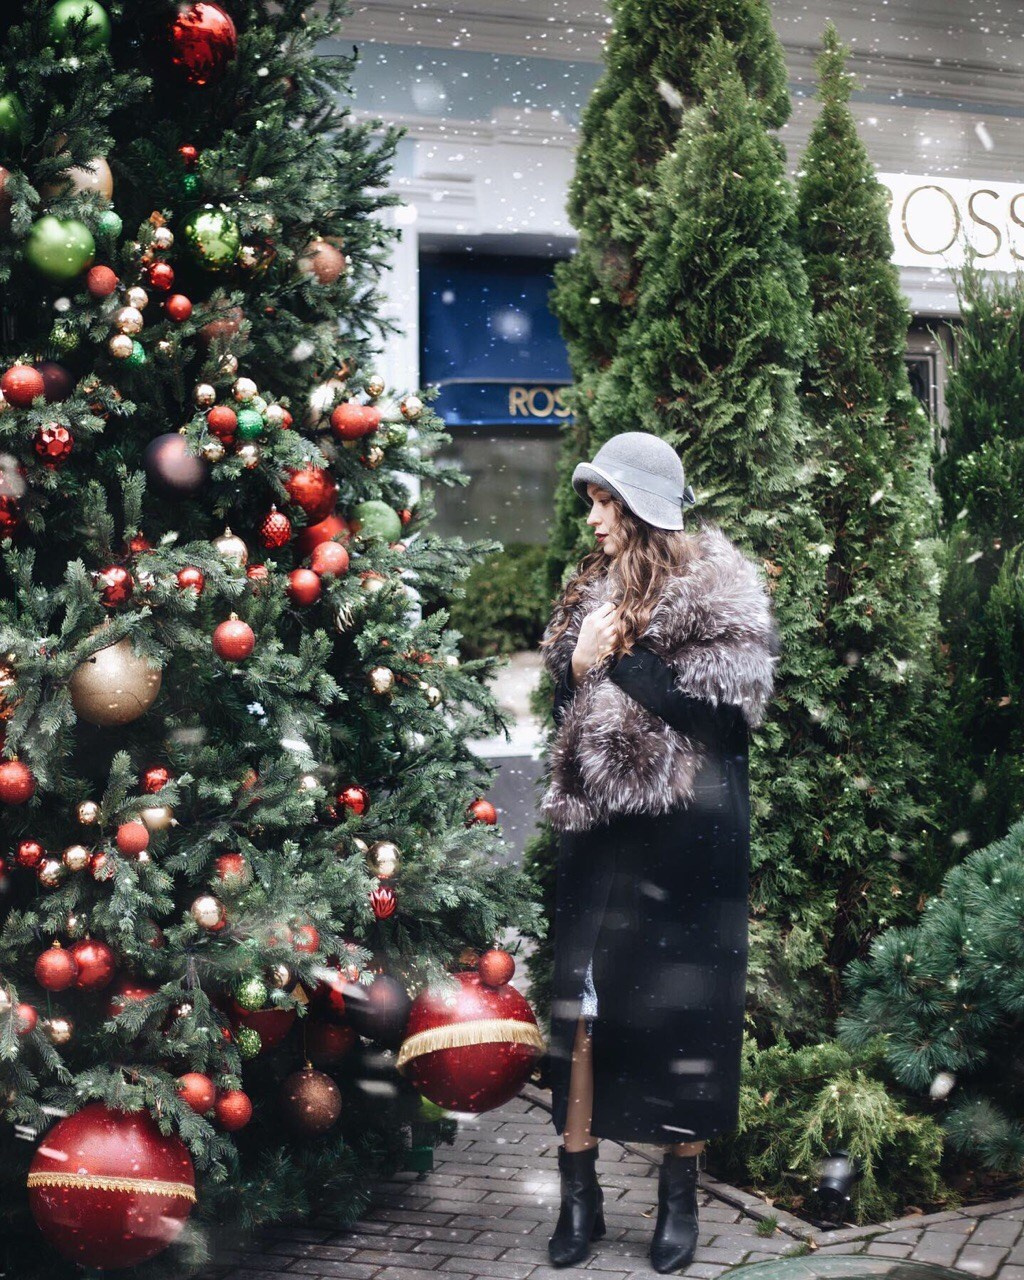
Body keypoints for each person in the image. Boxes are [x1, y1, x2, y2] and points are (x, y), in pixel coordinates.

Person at [538, 431, 780, 1273]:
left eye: (606, 502)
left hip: (685, 849)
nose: (594, 519)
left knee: (684, 1021)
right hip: (601, 843)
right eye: (592, 502)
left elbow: (721, 724)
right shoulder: (587, 596)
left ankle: (680, 1202)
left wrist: (622, 662)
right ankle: (581, 1197)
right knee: (586, 1015)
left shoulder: (717, 595)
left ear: (641, 508)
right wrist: (576, 663)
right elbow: (566, 714)